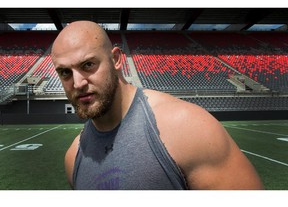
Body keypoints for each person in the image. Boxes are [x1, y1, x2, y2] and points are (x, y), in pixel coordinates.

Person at [51, 20, 264, 190]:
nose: (78, 83)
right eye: (65, 72)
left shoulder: (187, 128)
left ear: (116, 59)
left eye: (88, 65)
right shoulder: (74, 157)